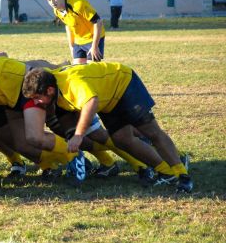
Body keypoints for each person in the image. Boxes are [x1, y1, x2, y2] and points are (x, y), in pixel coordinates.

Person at [22, 63, 193, 192]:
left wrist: (79, 135)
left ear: (50, 90)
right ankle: (165, 172)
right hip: (109, 98)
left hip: (123, 83)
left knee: (151, 131)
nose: (36, 103)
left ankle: (182, 174)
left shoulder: (71, 84)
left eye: (37, 98)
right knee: (122, 139)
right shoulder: (51, 83)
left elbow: (91, 102)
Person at [44, 0, 105, 65]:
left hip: (92, 39)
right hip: (78, 41)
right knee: (77, 68)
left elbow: (98, 22)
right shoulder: (56, 10)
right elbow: (68, 26)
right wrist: (71, 46)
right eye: (49, 0)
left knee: (92, 70)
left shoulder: (78, 5)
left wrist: (94, 46)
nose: (52, 3)